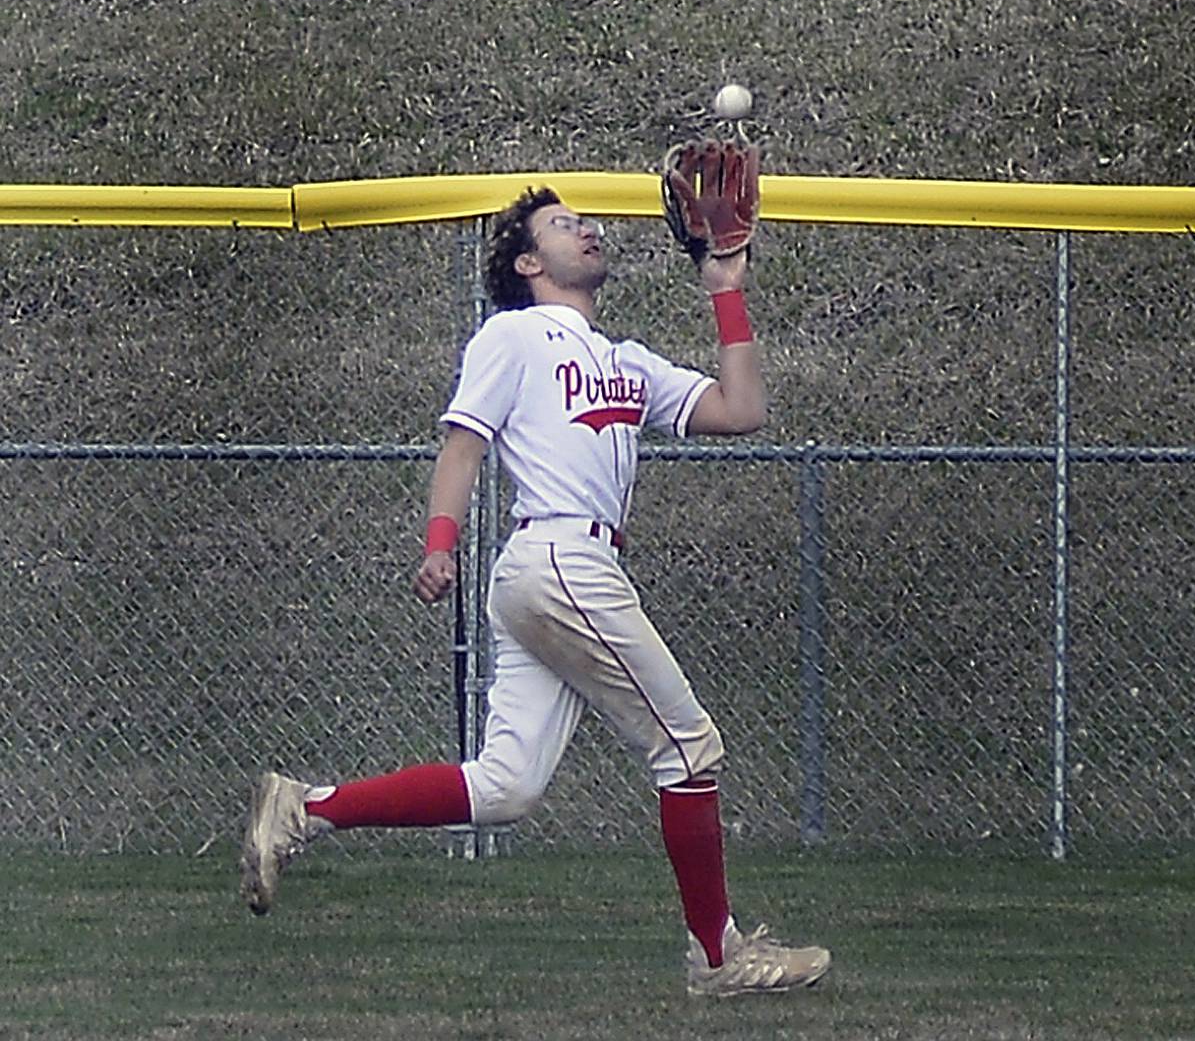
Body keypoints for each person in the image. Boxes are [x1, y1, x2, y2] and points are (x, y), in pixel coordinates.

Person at [241, 186, 831, 998]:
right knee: (687, 748)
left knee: (506, 787)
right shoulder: (514, 334)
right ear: (527, 262)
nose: (587, 229)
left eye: (584, 221)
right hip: (558, 558)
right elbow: (463, 440)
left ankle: (304, 808)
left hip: (556, 574)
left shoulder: (625, 360)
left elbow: (743, 409)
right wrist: (439, 541)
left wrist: (725, 289)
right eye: (562, 225)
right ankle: (718, 956)